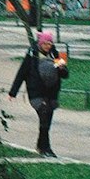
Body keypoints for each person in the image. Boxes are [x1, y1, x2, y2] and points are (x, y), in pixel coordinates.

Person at [8, 28, 69, 157]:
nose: (48, 46)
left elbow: (64, 74)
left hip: (51, 93)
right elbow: (22, 73)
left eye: (50, 44)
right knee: (44, 114)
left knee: (47, 119)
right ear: (40, 43)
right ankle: (47, 148)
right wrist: (13, 92)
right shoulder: (32, 55)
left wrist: (62, 68)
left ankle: (41, 145)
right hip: (36, 92)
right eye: (45, 44)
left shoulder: (54, 55)